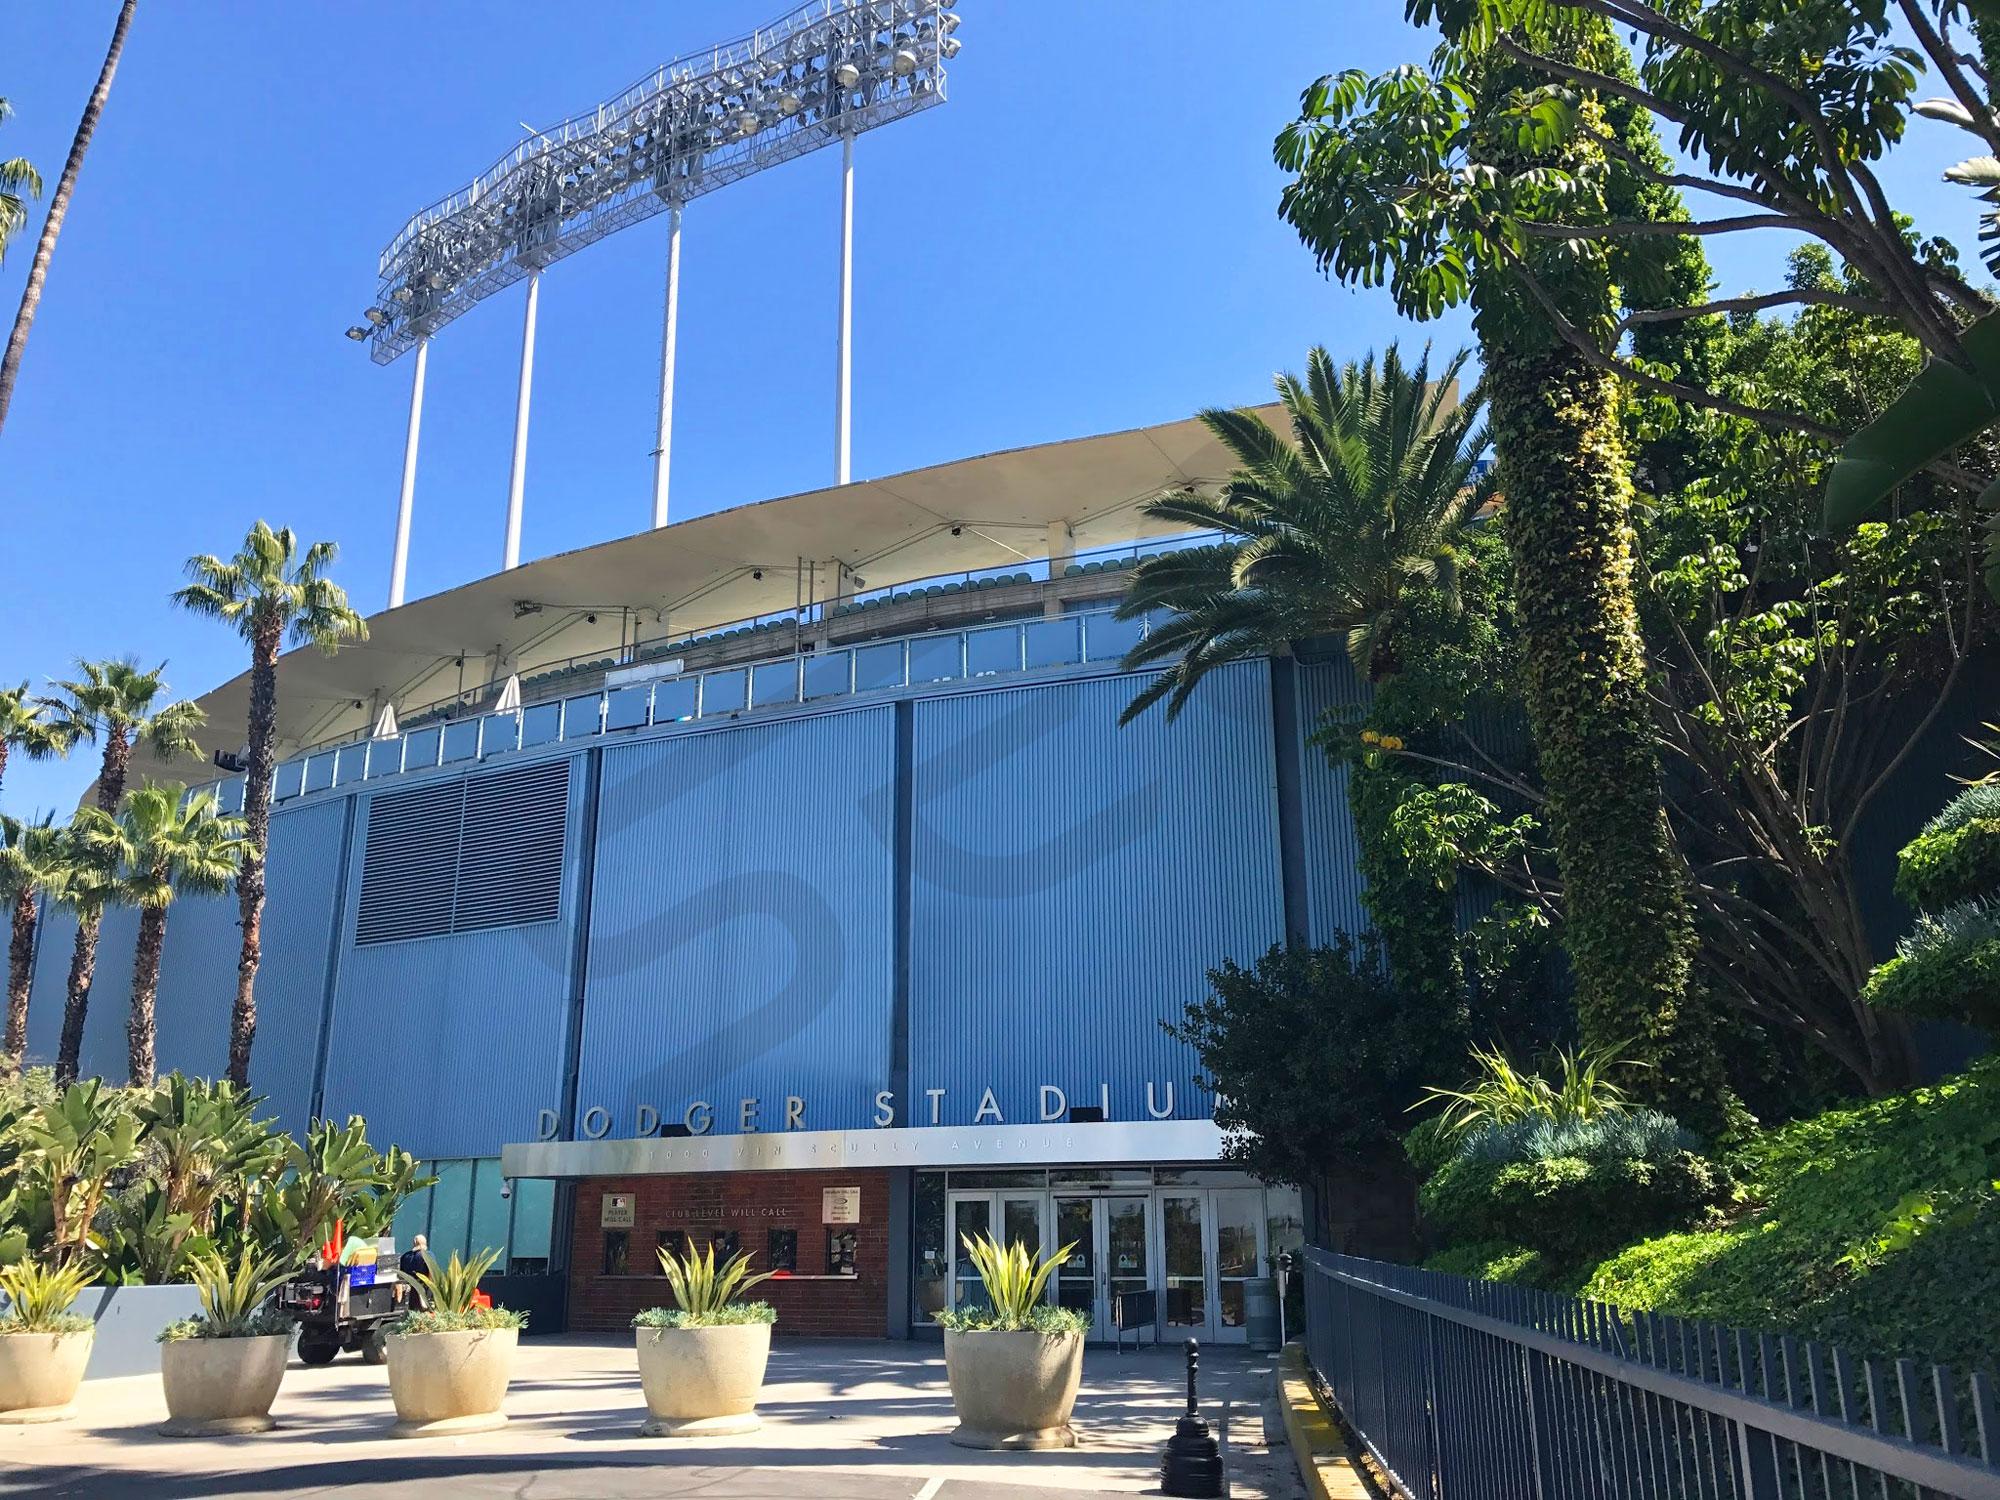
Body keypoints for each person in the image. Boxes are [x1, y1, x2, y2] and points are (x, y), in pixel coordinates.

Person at [398, 1234, 430, 1310]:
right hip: (423, 1290)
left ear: (414, 1242)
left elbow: (400, 1272)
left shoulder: (406, 1256)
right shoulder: (428, 1255)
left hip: (409, 1291)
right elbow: (432, 1273)